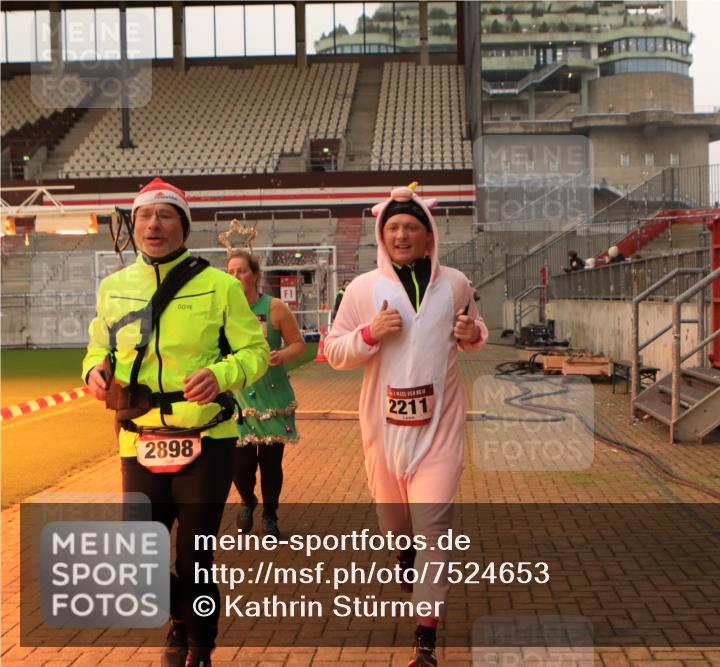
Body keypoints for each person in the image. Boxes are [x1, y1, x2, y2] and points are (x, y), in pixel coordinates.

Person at [82, 178, 269, 667]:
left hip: (206, 438)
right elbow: (98, 347)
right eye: (145, 215)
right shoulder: (113, 288)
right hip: (139, 438)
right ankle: (182, 622)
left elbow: (256, 351)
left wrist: (222, 374)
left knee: (193, 558)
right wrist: (95, 371)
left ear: (183, 226)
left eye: (165, 215)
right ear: (134, 225)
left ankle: (199, 649)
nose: (153, 224)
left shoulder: (221, 286)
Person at [324, 184, 488, 667]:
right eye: (393, 227)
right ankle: (401, 554)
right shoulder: (362, 289)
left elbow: (473, 332)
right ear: (381, 233)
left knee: (435, 530)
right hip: (384, 432)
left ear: (428, 234)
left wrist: (471, 333)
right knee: (397, 527)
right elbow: (333, 352)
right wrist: (369, 334)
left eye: (411, 227)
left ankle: (425, 643)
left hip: (439, 430)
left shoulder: (455, 283)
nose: (401, 235)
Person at [225, 250, 305, 538]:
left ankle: (270, 515)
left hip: (273, 397)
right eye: (230, 272)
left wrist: (282, 355)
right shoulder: (223, 310)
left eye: (242, 271)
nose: (235, 277)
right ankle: (248, 500)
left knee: (271, 464)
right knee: (240, 467)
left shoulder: (275, 308)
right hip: (238, 399)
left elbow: (298, 344)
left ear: (255, 275)